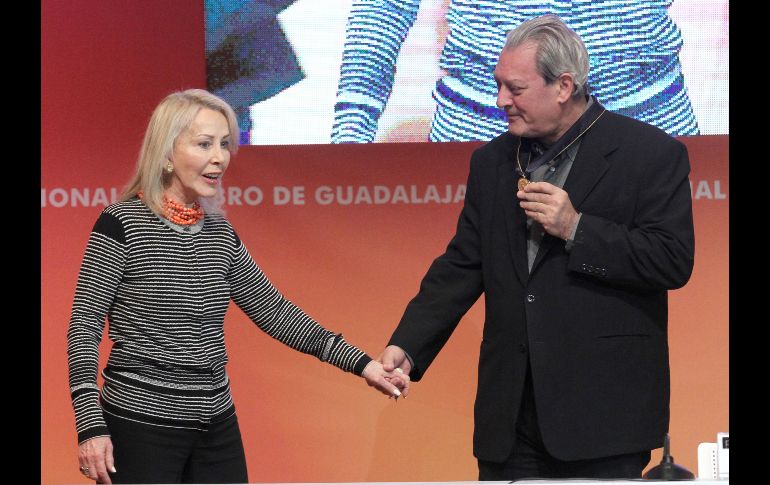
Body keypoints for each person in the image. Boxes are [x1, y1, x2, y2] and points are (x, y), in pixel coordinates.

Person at [377, 15, 694, 481]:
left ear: (564, 85)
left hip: (602, 417)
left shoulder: (649, 154)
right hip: (510, 417)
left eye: (516, 89)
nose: (501, 100)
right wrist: (409, 343)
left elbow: (671, 260)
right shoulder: (492, 162)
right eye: (499, 86)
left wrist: (576, 228)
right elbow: (463, 265)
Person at [67, 89, 408, 484]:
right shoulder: (120, 224)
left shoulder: (220, 234)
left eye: (225, 144)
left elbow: (277, 313)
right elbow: (84, 328)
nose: (220, 157)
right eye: (204, 143)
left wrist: (363, 364)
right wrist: (90, 426)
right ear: (165, 153)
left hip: (216, 424)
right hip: (140, 424)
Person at [331, 0, 699, 143]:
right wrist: (350, 133)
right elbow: (385, 7)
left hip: (647, 123)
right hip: (480, 131)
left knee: (678, 302)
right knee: (473, 305)